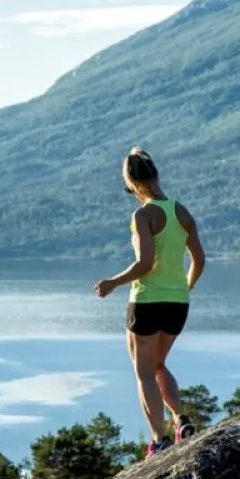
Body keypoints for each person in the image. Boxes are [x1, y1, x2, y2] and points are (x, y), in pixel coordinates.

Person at [94, 148, 205, 458]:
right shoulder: (182, 212)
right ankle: (181, 420)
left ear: (131, 182)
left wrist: (113, 282)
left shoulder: (142, 215)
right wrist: (185, 287)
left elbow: (145, 263)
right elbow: (199, 259)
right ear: (156, 174)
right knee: (158, 364)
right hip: (177, 303)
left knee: (144, 372)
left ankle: (159, 440)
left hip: (147, 301)